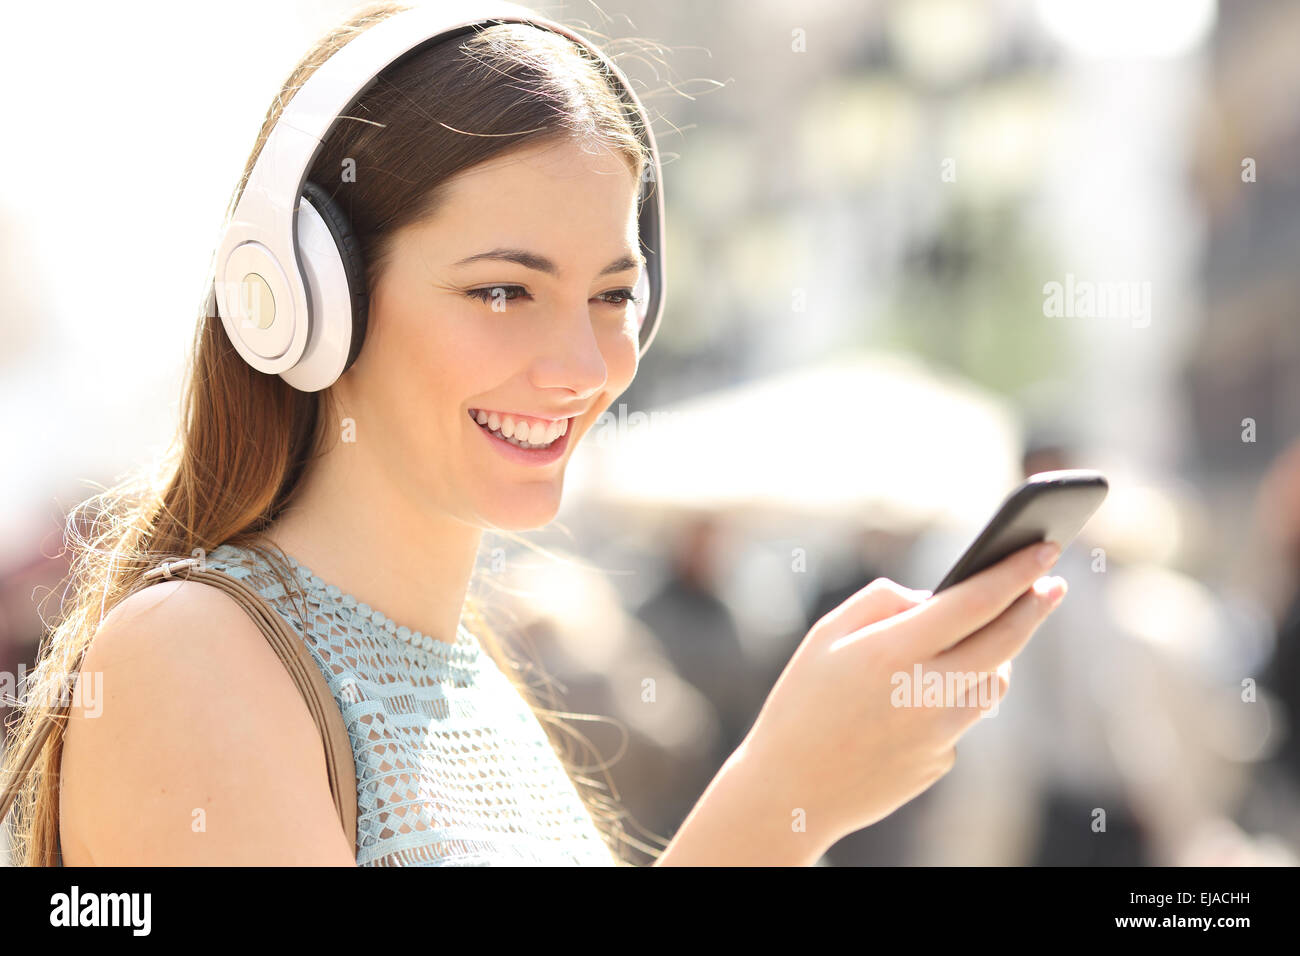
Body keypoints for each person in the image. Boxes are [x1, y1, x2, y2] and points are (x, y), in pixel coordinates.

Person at [1, 0, 1071, 866]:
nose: (582, 366)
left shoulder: (482, 679)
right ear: (304, 293)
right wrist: (781, 802)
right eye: (505, 290)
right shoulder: (188, 655)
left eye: (614, 295)